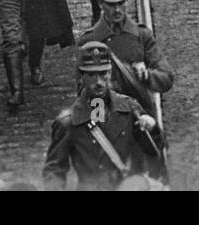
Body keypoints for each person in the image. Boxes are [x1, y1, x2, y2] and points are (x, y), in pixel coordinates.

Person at [43, 41, 159, 191]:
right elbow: (54, 172)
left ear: (110, 73)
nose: (98, 82)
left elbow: (154, 152)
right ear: (82, 76)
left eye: (103, 73)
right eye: (91, 75)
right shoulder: (68, 123)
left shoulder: (129, 108)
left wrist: (152, 127)